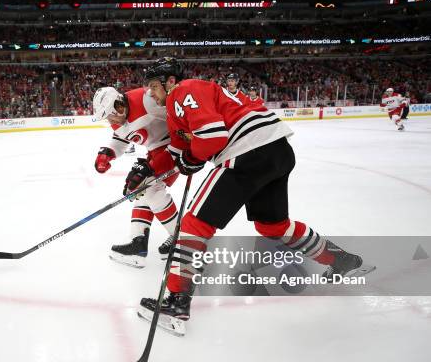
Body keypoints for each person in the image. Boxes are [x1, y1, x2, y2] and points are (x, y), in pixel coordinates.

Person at [131, 57, 371, 334]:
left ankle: (175, 303)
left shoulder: (183, 90)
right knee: (273, 225)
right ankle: (342, 260)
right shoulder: (176, 111)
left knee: (193, 226)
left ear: (169, 81)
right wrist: (148, 169)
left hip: (246, 152)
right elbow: (176, 152)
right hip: (276, 151)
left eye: (153, 86)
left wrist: (192, 157)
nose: (150, 93)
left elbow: (212, 139)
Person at [92, 86, 179, 268]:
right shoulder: (117, 118)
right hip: (156, 152)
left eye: (110, 115)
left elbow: (178, 110)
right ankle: (138, 243)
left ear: (119, 104)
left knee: (152, 190)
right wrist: (108, 153)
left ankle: (182, 240)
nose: (110, 120)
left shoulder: (147, 99)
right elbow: (122, 136)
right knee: (141, 189)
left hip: (175, 148)